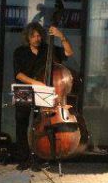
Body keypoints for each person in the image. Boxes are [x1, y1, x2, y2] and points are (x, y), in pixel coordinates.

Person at [13, 22, 74, 169]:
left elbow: (69, 53)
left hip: (45, 92)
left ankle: (40, 156)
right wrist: (36, 83)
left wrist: (61, 36)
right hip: (25, 90)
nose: (37, 38)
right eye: (33, 36)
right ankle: (23, 158)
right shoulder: (19, 52)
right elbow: (18, 74)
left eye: (39, 35)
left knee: (41, 125)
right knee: (21, 123)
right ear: (28, 37)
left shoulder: (49, 49)